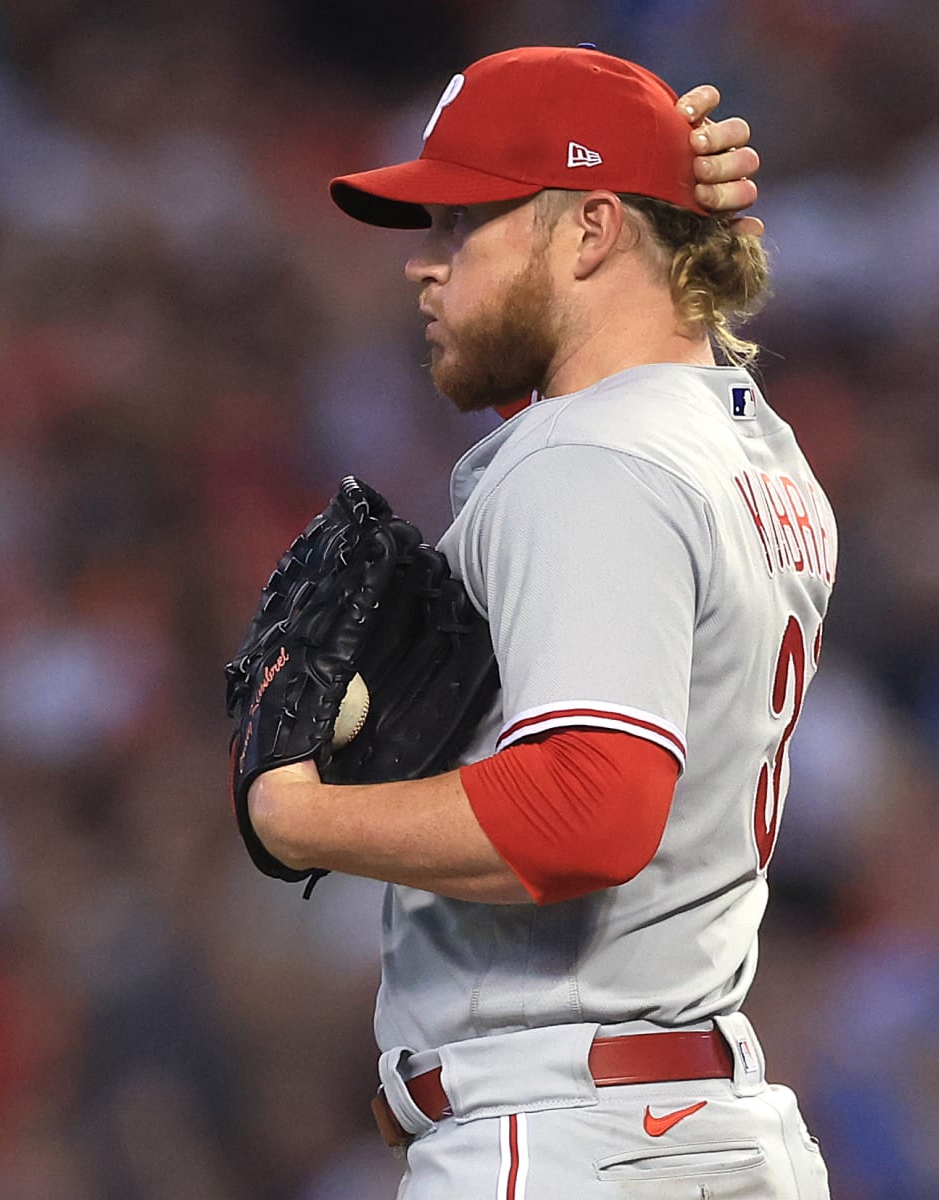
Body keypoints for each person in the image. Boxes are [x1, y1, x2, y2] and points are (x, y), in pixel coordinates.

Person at [244, 46, 834, 1199]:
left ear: (590, 231)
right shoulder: (750, 446)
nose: (420, 265)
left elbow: (588, 813)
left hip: (567, 1137)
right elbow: (612, 360)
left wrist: (301, 816)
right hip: (684, 1123)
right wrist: (664, 203)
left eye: (461, 224)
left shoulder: (593, 461)